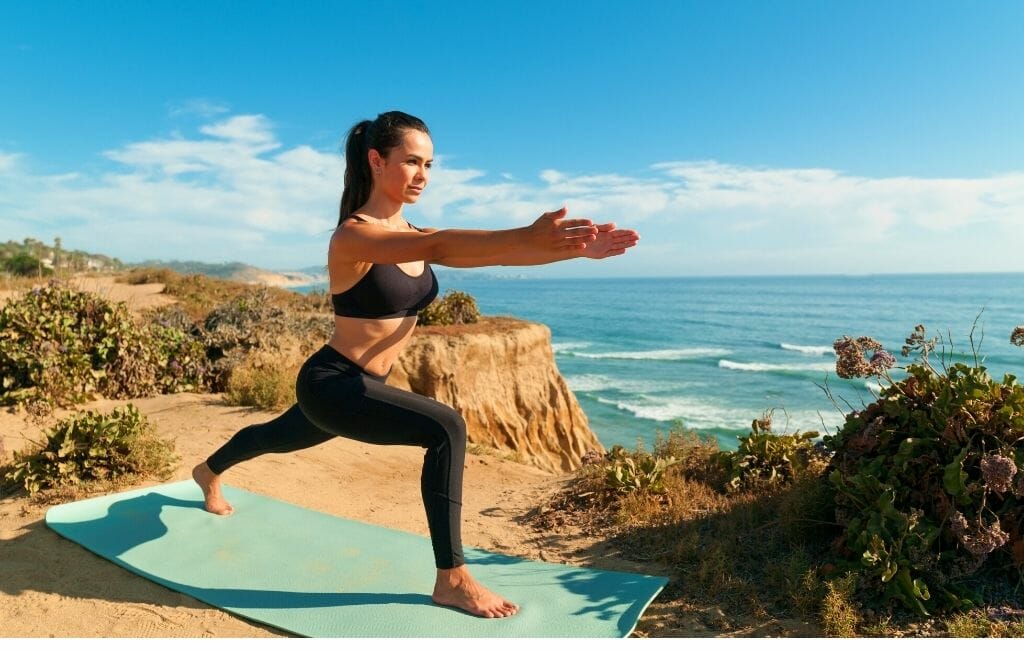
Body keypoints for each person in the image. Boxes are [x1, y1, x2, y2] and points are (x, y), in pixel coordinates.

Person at [192, 110, 640, 619]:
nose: (423, 173)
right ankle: (452, 579)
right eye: (411, 161)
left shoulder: (407, 230)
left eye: (429, 163)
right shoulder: (354, 236)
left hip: (363, 385)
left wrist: (572, 251)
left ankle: (208, 471)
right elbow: (441, 244)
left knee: (276, 436)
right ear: (376, 161)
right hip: (332, 382)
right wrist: (525, 230)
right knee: (445, 426)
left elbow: (492, 258)